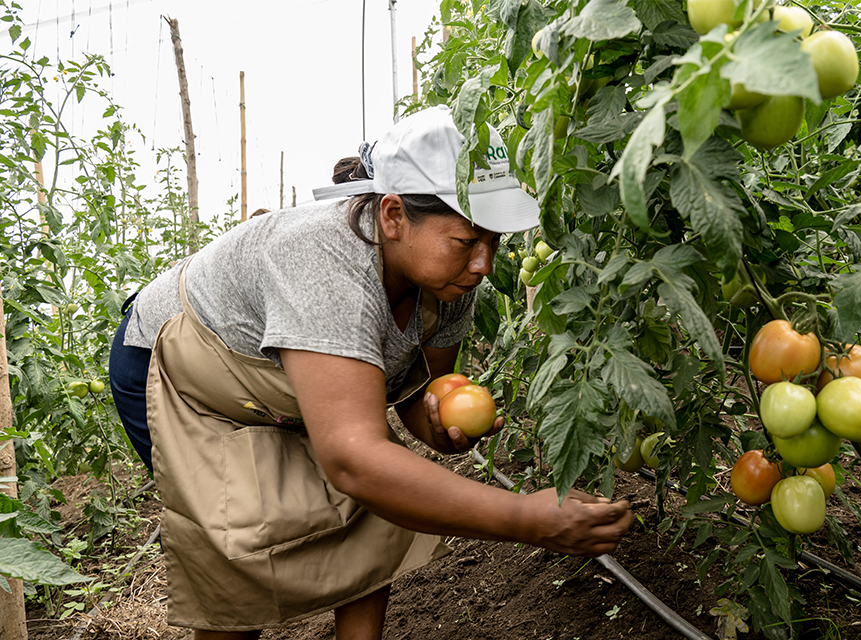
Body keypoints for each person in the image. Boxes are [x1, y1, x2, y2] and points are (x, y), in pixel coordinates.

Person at [108, 105, 632, 640]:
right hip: (185, 371)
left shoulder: (449, 280)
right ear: (394, 216)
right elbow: (354, 460)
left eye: (494, 241)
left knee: (378, 501)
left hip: (284, 387)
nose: (484, 264)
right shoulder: (323, 262)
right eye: (468, 240)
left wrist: (437, 425)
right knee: (240, 541)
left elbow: (414, 391)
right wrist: (527, 519)